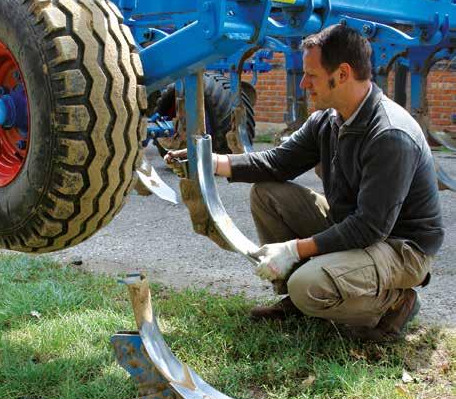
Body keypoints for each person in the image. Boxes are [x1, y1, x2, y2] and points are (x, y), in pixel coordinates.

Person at [165, 24, 444, 342]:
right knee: (268, 194)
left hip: (400, 247)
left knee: (307, 286)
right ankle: (299, 301)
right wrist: (209, 163)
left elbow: (370, 227)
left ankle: (395, 303)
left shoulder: (389, 135)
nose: (303, 83)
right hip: (357, 225)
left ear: (341, 74)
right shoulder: (329, 120)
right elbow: (276, 164)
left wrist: (293, 250)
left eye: (311, 74)